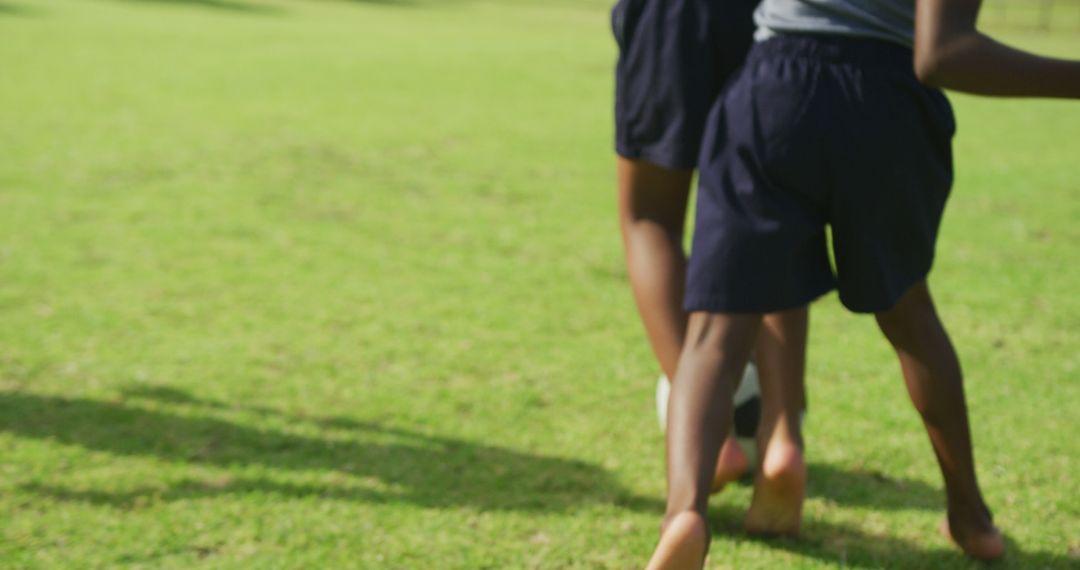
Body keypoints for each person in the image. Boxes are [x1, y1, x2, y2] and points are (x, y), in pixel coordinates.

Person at [645, 0, 1080, 567]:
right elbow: (943, 54)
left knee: (715, 332)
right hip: (887, 104)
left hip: (772, 89)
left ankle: (686, 513)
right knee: (910, 317)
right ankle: (972, 520)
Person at [613, 0, 808, 492]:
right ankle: (781, 434)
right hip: (776, 16)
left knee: (649, 217)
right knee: (771, 217)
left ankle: (710, 435)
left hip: (673, 17)